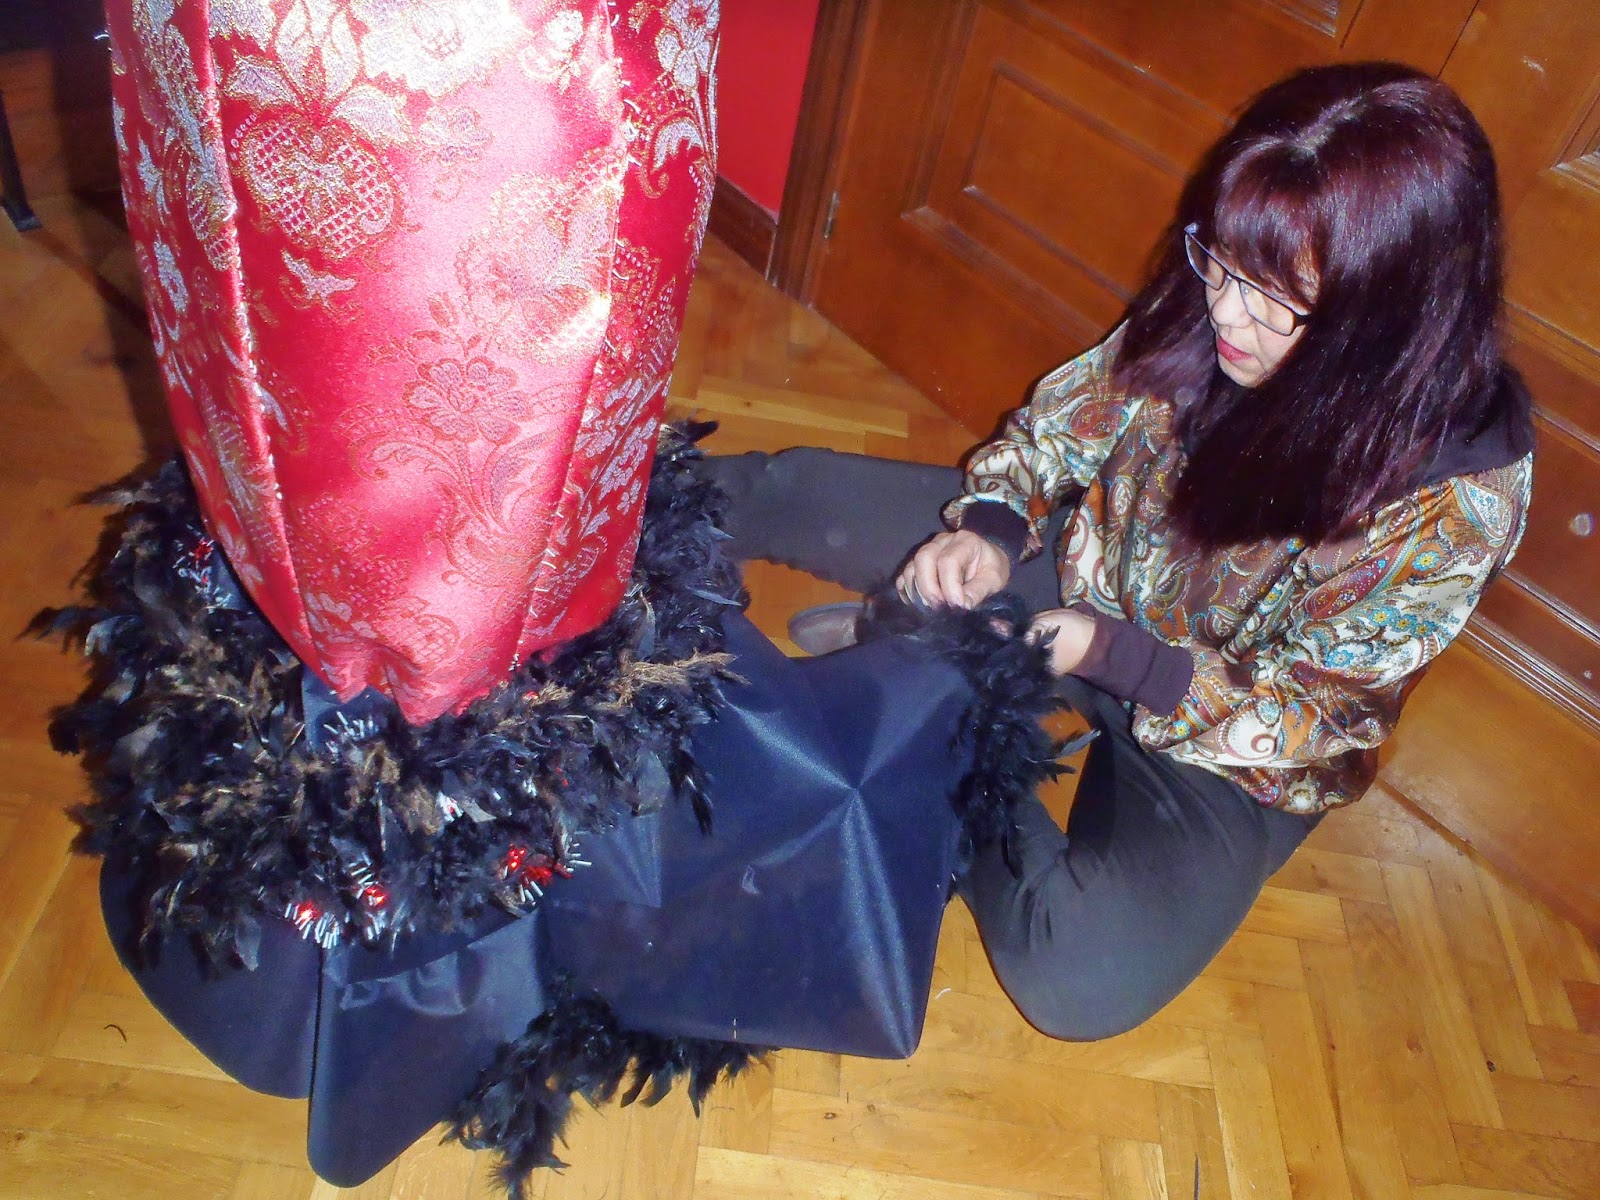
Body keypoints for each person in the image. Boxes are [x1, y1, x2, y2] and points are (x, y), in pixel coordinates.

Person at [705, 62, 1534, 1040]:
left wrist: (1110, 657)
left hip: (1222, 744)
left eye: (1276, 300)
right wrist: (991, 528)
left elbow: (1315, 712)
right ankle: (605, 533)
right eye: (1220, 262)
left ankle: (949, 725)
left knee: (1076, 980)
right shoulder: (1225, 294)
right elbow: (1067, 422)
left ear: (1386, 317)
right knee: (796, 488)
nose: (1226, 312)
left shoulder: (1457, 500)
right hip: (1083, 579)